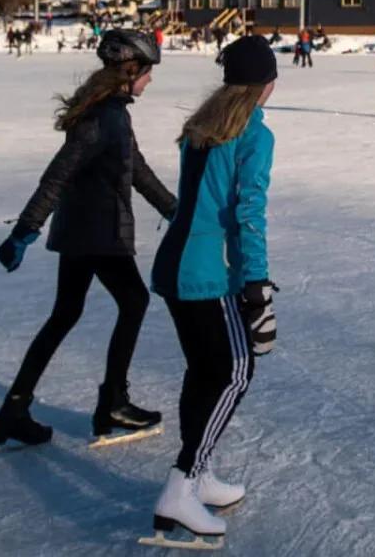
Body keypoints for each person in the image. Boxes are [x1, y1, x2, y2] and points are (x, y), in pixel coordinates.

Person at [0, 29, 176, 451]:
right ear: (129, 71)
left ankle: (15, 409)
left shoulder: (112, 113)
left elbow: (136, 169)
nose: (150, 80)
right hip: (99, 233)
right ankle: (113, 403)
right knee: (134, 301)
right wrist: (24, 230)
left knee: (65, 313)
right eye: (147, 72)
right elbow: (57, 175)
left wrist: (173, 209)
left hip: (81, 232)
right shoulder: (102, 117)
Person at [144, 35, 278, 549]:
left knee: (205, 371)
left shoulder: (203, 126)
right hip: (206, 273)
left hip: (174, 264)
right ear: (265, 84)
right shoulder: (253, 133)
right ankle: (182, 485)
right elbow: (249, 215)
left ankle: (197, 478)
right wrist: (256, 286)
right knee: (235, 372)